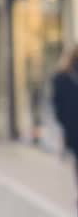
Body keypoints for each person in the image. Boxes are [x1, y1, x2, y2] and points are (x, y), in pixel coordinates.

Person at [52, 46, 78, 201]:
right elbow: (58, 104)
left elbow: (57, 104)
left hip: (72, 126)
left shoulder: (60, 77)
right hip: (73, 126)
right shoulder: (61, 77)